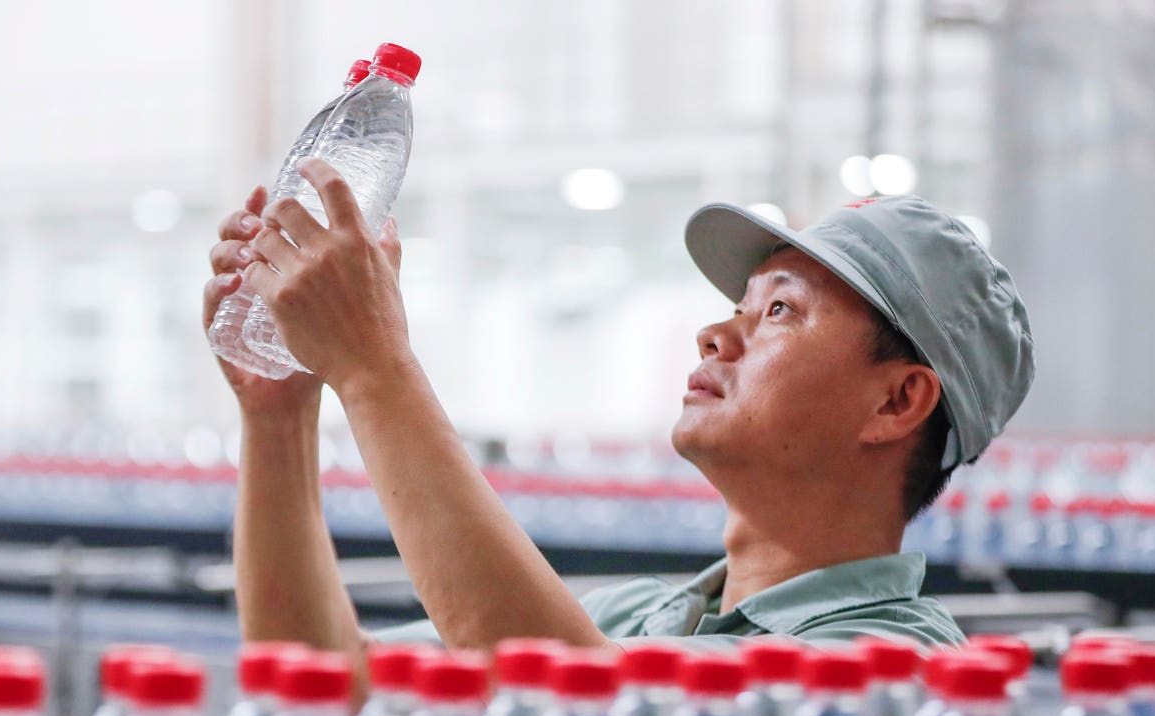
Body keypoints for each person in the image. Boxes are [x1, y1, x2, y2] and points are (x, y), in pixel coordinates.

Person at [203, 160, 1034, 678]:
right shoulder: (636, 616)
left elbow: (578, 712)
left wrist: (374, 368)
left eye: (781, 311)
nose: (716, 334)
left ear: (897, 401)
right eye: (739, 306)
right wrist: (279, 417)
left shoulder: (895, 669)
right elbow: (324, 684)